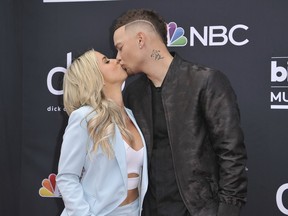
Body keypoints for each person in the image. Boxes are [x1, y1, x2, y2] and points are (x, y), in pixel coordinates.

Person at [112, 9, 247, 216]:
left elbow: (231, 154)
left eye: (120, 48)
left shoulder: (205, 82)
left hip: (199, 210)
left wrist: (227, 211)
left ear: (140, 40)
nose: (118, 57)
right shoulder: (133, 94)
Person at [56, 49, 148, 216]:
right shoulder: (85, 117)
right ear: (95, 77)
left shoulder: (133, 115)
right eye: (106, 61)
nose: (116, 60)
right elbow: (67, 177)